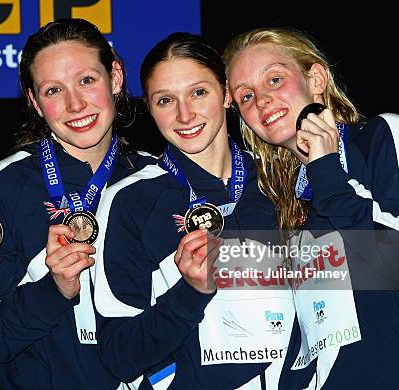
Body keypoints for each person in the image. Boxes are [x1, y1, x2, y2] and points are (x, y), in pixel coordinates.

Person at [223, 27, 399, 389]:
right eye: (246, 96)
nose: (262, 101)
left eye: (275, 79)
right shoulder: (281, 199)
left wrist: (329, 176)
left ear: (315, 79)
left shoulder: (381, 137)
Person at [0, 19, 156, 389]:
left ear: (115, 78)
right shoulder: (1, 188)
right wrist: (51, 292)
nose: (74, 104)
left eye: (87, 80)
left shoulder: (158, 180)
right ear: (35, 103)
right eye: (53, 90)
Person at [93, 33, 291, 389]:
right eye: (165, 100)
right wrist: (189, 294)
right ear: (150, 109)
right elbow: (117, 355)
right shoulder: (130, 201)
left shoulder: (279, 180)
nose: (185, 114)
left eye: (199, 92)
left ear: (227, 93)